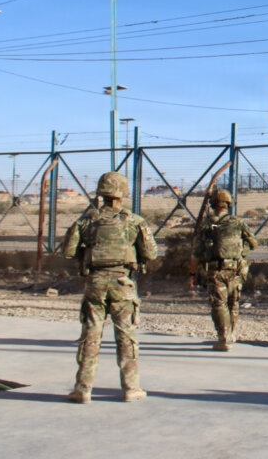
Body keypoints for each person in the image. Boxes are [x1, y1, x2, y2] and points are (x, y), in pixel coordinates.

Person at [62, 171, 157, 403]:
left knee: (90, 337)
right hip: (122, 284)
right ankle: (131, 388)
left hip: (95, 283)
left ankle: (82, 389)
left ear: (101, 193)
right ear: (123, 193)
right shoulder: (135, 222)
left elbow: (67, 251)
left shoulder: (86, 221)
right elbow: (151, 253)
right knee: (126, 336)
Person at [191, 188, 258, 351]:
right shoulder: (237, 222)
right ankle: (232, 333)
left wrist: (192, 274)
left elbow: (196, 253)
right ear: (228, 203)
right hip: (235, 270)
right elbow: (254, 243)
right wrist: (241, 252)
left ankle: (223, 338)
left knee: (219, 304)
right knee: (233, 303)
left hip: (215, 270)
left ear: (213, 203)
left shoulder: (206, 225)